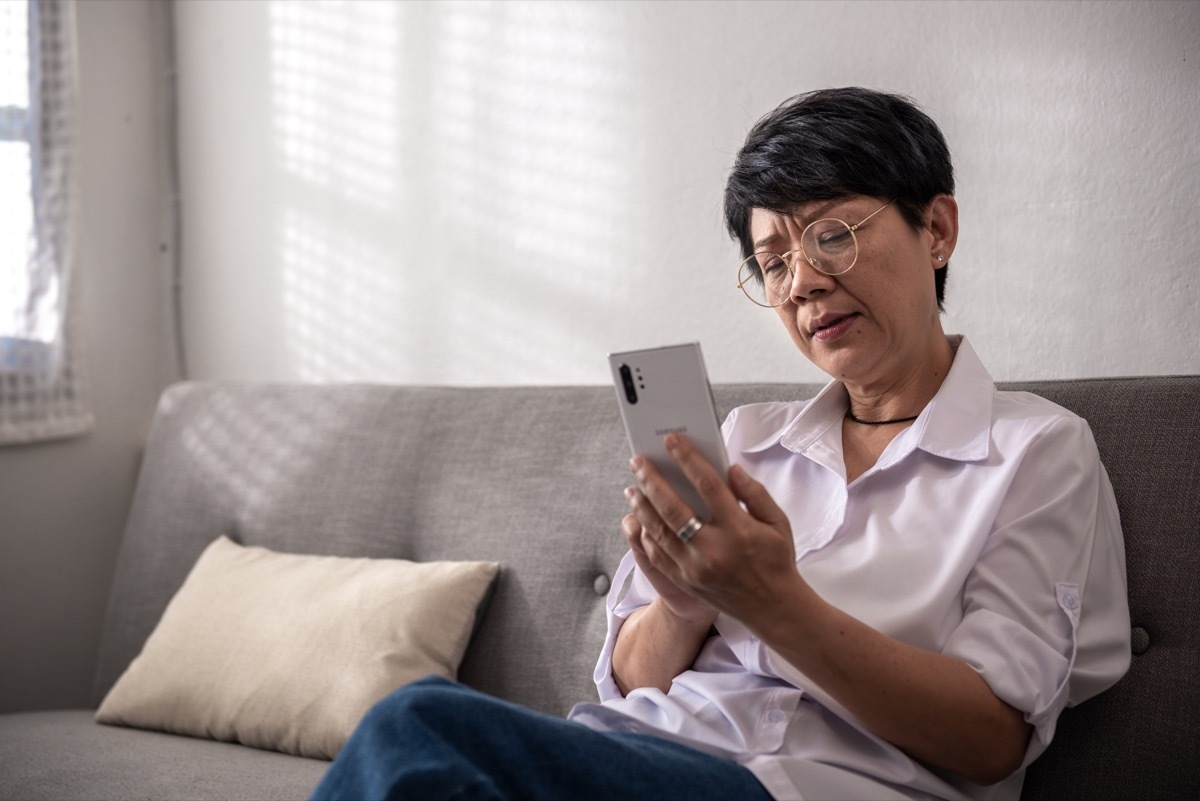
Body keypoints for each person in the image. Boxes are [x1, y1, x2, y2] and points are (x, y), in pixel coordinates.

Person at [310, 87, 1130, 801]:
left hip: (810, 785)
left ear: (938, 229)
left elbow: (992, 741)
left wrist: (774, 600)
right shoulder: (745, 440)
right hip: (639, 753)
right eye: (772, 263)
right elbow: (632, 679)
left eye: (832, 234)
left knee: (416, 722)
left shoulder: (1036, 451)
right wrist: (683, 603)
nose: (801, 282)